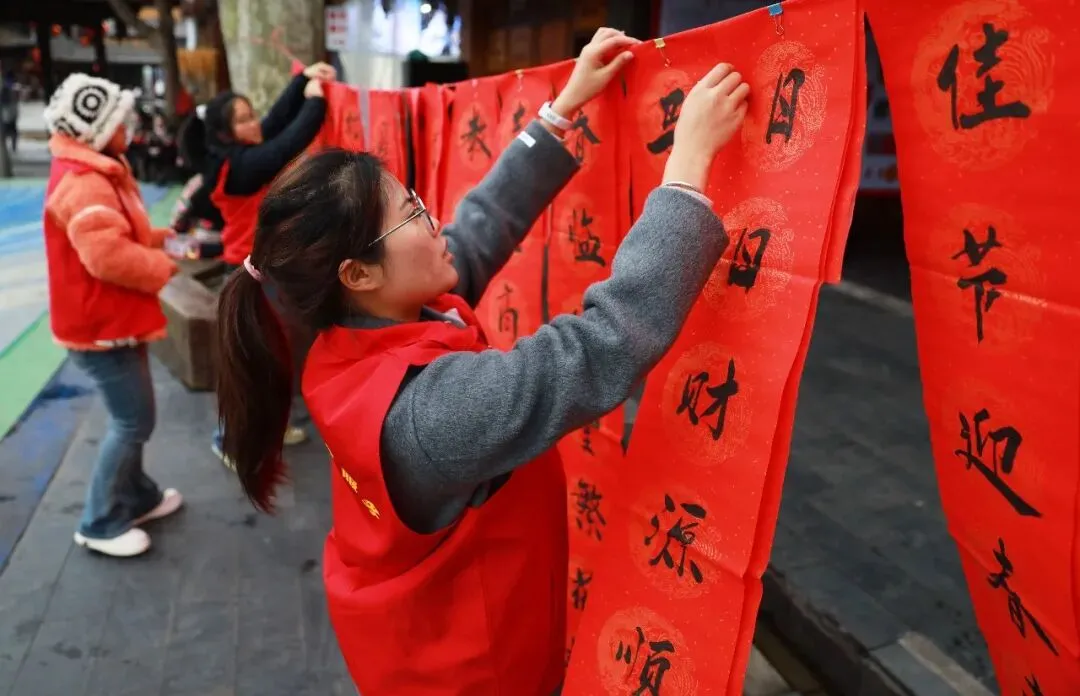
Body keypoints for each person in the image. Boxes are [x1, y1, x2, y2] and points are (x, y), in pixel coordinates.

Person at [215, 27, 749, 694]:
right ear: (356, 273)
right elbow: (598, 350)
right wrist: (687, 173)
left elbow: (477, 229)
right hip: (473, 668)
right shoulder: (429, 414)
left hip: (423, 631)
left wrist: (563, 107)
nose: (431, 217)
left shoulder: (356, 332)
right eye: (409, 214)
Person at [42, 74, 184, 558]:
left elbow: (121, 236)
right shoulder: (85, 183)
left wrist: (165, 238)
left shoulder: (96, 172)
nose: (128, 129)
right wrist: (163, 264)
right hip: (100, 328)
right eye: (120, 121)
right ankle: (98, 520)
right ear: (97, 128)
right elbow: (107, 257)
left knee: (133, 418)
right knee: (132, 422)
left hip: (109, 323)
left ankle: (136, 495)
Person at [204, 62, 334, 458]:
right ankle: (232, 441)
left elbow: (274, 124)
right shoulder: (238, 167)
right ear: (227, 132)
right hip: (248, 276)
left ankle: (263, 428)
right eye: (242, 120)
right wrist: (314, 104)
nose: (253, 123)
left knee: (268, 352)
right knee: (256, 359)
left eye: (250, 114)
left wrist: (299, 80)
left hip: (262, 270)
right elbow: (285, 142)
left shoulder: (242, 153)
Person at [1, 71, 20, 152]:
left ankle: (9, 147)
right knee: (11, 131)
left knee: (7, 130)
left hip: (8, 111)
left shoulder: (7, 87)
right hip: (9, 111)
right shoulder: (10, 88)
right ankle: (12, 147)